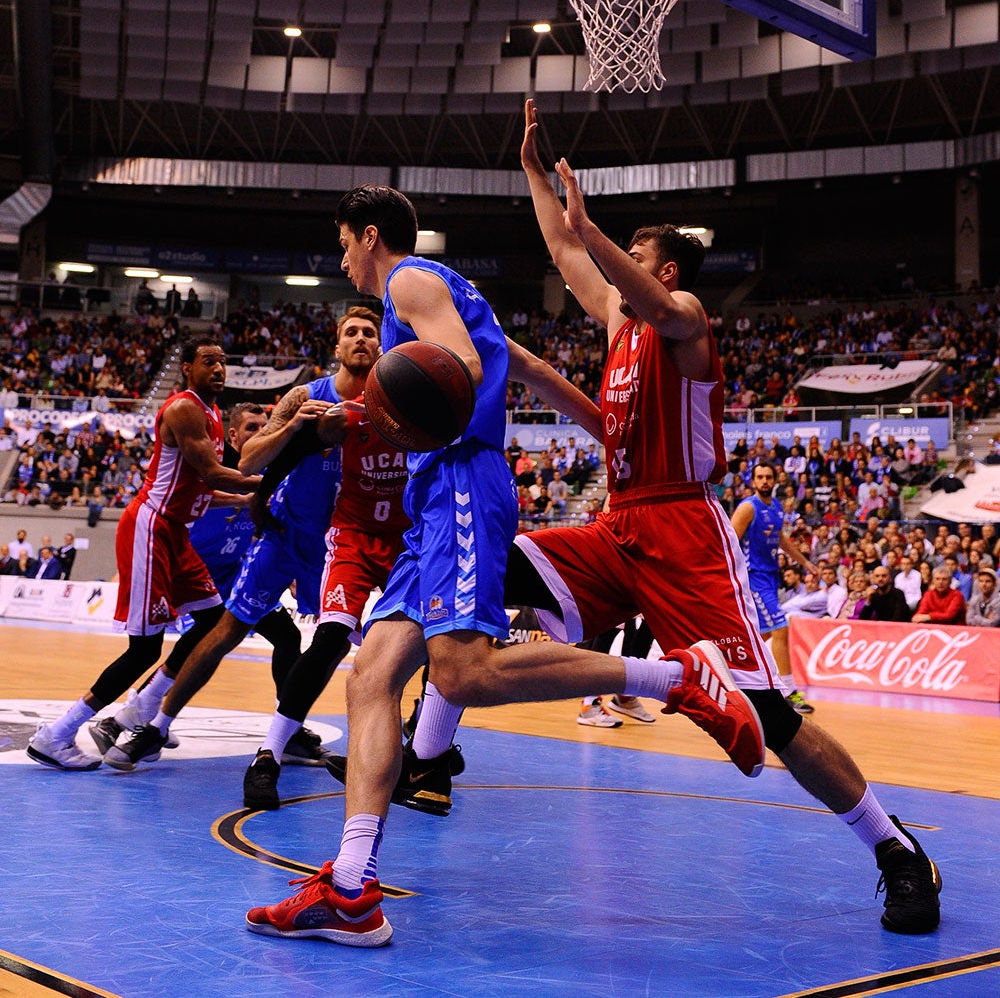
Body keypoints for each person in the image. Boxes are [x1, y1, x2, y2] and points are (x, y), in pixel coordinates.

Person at [247, 116, 940, 943]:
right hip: (616, 527)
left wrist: (588, 226)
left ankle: (894, 849)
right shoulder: (616, 331)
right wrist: (536, 174)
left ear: (666, 269)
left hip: (685, 529)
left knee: (770, 720)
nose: (607, 282)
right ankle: (416, 779)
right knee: (454, 603)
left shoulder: (682, 323)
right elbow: (566, 262)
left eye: (631, 267)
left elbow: (627, 282)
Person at [103, 309, 381, 771]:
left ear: (379, 346)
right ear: (337, 347)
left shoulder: (390, 404)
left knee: (335, 643)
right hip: (287, 531)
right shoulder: (305, 396)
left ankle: (293, 730)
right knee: (227, 629)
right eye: (350, 332)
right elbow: (249, 460)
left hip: (344, 541)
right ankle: (156, 727)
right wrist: (293, 427)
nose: (359, 339)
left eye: (368, 333)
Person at [28, 340, 260, 771]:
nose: (219, 368)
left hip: (176, 533)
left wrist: (244, 502)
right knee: (144, 650)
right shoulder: (184, 408)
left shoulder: (210, 414)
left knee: (212, 621)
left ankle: (137, 711)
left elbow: (200, 490)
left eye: (224, 362)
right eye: (209, 361)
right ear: (187, 368)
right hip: (150, 529)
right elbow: (210, 473)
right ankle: (56, 734)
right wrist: (267, 485)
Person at [87, 401, 305, 760]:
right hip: (199, 576)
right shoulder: (211, 476)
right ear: (232, 436)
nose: (260, 434)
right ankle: (130, 721)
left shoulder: (269, 475)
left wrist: (291, 570)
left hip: (238, 578)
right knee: (197, 645)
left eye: (265, 427)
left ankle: (289, 729)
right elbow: (172, 528)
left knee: (286, 635)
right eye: (252, 428)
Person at [242, 385, 411, 810]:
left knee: (438, 641)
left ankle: (425, 750)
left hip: (407, 543)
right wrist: (260, 498)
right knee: (330, 639)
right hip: (352, 538)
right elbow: (288, 455)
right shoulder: (345, 417)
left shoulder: (422, 411)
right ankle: (268, 756)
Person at [732, 462, 819, 714]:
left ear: (775, 480)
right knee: (780, 628)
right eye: (760, 477)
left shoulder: (777, 507)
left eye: (768, 477)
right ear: (753, 481)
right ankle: (789, 692)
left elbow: (781, 539)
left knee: (765, 634)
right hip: (753, 577)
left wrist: (804, 562)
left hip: (771, 576)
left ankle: (737, 676)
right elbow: (729, 541)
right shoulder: (748, 507)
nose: (765, 481)